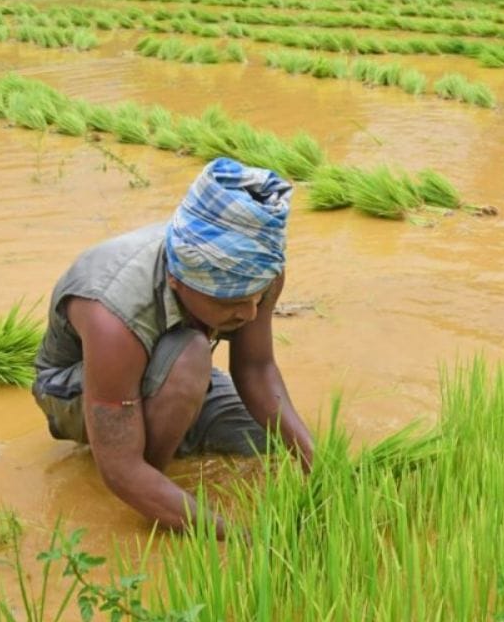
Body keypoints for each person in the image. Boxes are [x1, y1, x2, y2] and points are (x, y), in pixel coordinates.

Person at [32, 158, 315, 534]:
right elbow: (120, 468)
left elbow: (255, 370)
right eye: (229, 302)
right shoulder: (111, 313)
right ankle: (156, 480)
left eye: (256, 297)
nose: (249, 313)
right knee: (191, 356)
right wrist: (232, 534)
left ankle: (173, 426)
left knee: (270, 441)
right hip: (79, 385)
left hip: (168, 365)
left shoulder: (255, 265)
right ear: (179, 281)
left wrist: (315, 460)